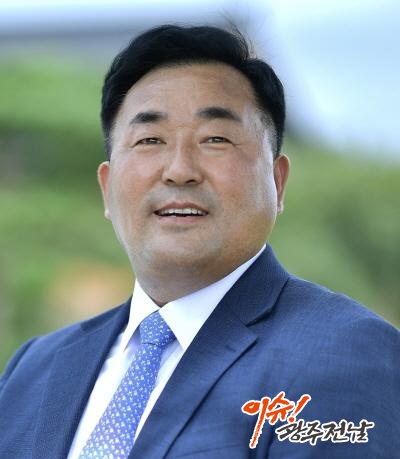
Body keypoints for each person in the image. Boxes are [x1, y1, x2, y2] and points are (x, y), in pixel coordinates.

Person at [0, 24, 398, 459]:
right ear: (107, 187)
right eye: (149, 140)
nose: (179, 171)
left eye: (215, 139)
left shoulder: (346, 353)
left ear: (278, 181)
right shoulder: (35, 368)